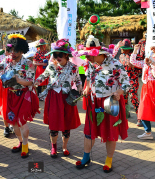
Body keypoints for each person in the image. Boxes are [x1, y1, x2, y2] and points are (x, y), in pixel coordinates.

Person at [76, 36, 130, 173]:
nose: (87, 58)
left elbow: (126, 83)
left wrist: (120, 91)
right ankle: (86, 157)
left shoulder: (115, 64)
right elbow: (88, 78)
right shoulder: (90, 64)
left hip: (110, 102)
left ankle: (108, 160)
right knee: (89, 130)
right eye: (87, 55)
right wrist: (87, 87)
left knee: (110, 132)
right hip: (94, 102)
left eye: (90, 55)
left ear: (100, 54)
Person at [0, 34, 40, 159]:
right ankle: (21, 142)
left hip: (23, 96)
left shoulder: (29, 63)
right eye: (11, 49)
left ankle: (25, 146)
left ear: (22, 50)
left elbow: (31, 82)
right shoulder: (6, 60)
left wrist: (18, 80)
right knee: (13, 124)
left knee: (22, 122)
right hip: (10, 96)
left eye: (16, 50)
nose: (12, 53)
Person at [34, 39, 82, 158]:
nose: (57, 57)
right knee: (54, 124)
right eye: (55, 54)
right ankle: (53, 147)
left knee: (66, 125)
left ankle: (64, 147)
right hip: (53, 97)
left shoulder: (74, 67)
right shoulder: (51, 66)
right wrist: (34, 83)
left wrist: (80, 87)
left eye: (60, 54)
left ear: (66, 54)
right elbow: (43, 76)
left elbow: (78, 80)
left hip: (67, 98)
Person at [130, 44, 155, 146]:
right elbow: (133, 62)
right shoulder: (146, 61)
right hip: (147, 87)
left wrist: (154, 61)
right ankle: (148, 132)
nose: (151, 53)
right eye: (150, 51)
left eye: (154, 51)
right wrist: (135, 50)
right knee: (144, 109)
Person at [113, 39, 142, 126]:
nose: (122, 49)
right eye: (122, 48)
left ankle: (139, 118)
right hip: (124, 80)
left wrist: (134, 66)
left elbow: (141, 67)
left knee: (133, 97)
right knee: (124, 98)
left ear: (129, 49)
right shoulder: (121, 56)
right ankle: (126, 113)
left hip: (133, 79)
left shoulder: (136, 56)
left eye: (124, 48)